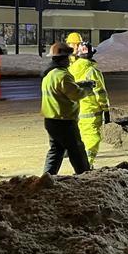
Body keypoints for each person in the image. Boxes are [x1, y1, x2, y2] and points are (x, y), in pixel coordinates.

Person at [40, 42, 95, 175]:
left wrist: (79, 84)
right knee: (76, 149)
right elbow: (76, 94)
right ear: (63, 59)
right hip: (64, 121)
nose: (70, 60)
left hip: (51, 120)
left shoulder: (50, 74)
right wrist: (87, 88)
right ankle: (85, 176)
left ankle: (46, 178)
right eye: (69, 58)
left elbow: (62, 90)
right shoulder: (63, 75)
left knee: (56, 151)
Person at [69, 42, 110, 167]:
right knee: (92, 139)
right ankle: (86, 166)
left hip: (76, 110)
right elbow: (100, 92)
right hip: (91, 111)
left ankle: (81, 164)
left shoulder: (70, 69)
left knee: (81, 138)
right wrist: (106, 109)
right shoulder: (92, 71)